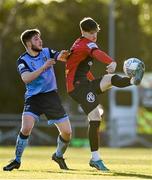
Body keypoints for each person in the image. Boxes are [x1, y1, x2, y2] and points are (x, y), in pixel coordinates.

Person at [65, 17, 144, 171]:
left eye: (96, 32)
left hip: (83, 84)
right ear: (83, 32)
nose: (94, 35)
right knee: (95, 117)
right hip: (77, 87)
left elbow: (79, 68)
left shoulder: (80, 42)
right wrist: (111, 61)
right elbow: (96, 53)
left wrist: (93, 84)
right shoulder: (85, 44)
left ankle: (134, 81)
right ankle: (95, 159)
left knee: (109, 79)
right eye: (91, 32)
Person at [3, 29, 72, 171]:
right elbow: (26, 78)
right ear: (28, 43)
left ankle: (58, 155)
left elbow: (62, 57)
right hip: (33, 98)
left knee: (67, 132)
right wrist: (44, 67)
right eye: (36, 39)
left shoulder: (46, 52)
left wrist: (68, 54)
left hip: (51, 96)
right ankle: (16, 160)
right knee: (26, 127)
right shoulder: (22, 60)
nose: (40, 41)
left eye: (40, 38)